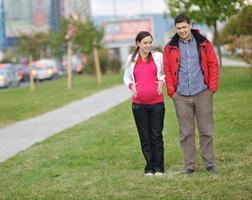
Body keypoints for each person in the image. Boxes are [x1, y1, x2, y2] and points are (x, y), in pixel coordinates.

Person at [163, 14, 219, 174]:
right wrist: (172, 91)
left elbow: (213, 63)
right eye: (178, 28)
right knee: (186, 133)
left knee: (206, 130)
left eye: (184, 27)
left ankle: (210, 164)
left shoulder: (204, 43)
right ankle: (189, 166)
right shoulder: (170, 47)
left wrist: (212, 87)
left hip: (202, 92)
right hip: (180, 95)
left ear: (190, 25)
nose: (181, 31)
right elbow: (167, 69)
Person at [123, 31, 166, 176]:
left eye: (150, 42)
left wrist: (162, 81)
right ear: (138, 43)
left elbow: (166, 73)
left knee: (156, 135)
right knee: (145, 136)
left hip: (157, 103)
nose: (148, 45)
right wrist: (131, 86)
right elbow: (126, 77)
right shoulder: (131, 59)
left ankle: (159, 167)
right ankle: (149, 167)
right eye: (145, 42)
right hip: (138, 105)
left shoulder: (158, 56)